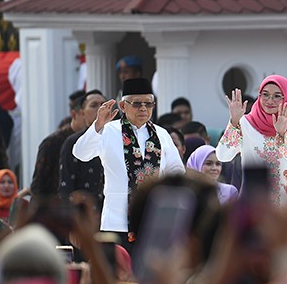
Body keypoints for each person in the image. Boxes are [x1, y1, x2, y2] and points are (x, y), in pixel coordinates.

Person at [73, 78, 185, 245]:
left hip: (153, 218)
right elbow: (81, 153)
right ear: (123, 106)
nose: (143, 108)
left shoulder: (161, 134)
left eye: (148, 104)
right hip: (116, 221)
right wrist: (97, 125)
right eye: (137, 103)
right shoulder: (108, 130)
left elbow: (176, 170)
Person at [216, 75, 287, 206]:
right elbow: (223, 156)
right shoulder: (245, 123)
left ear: (286, 98)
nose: (270, 100)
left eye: (277, 96)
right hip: (252, 202)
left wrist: (283, 135)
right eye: (265, 94)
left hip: (285, 205)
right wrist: (234, 122)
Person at [31, 91, 92, 200]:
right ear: (75, 114)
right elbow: (38, 184)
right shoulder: (53, 143)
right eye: (93, 107)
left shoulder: (99, 141)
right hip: (56, 210)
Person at [59, 90, 108, 208]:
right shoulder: (73, 142)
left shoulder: (120, 138)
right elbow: (66, 186)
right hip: (85, 215)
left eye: (104, 105)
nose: (100, 109)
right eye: (94, 105)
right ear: (82, 113)